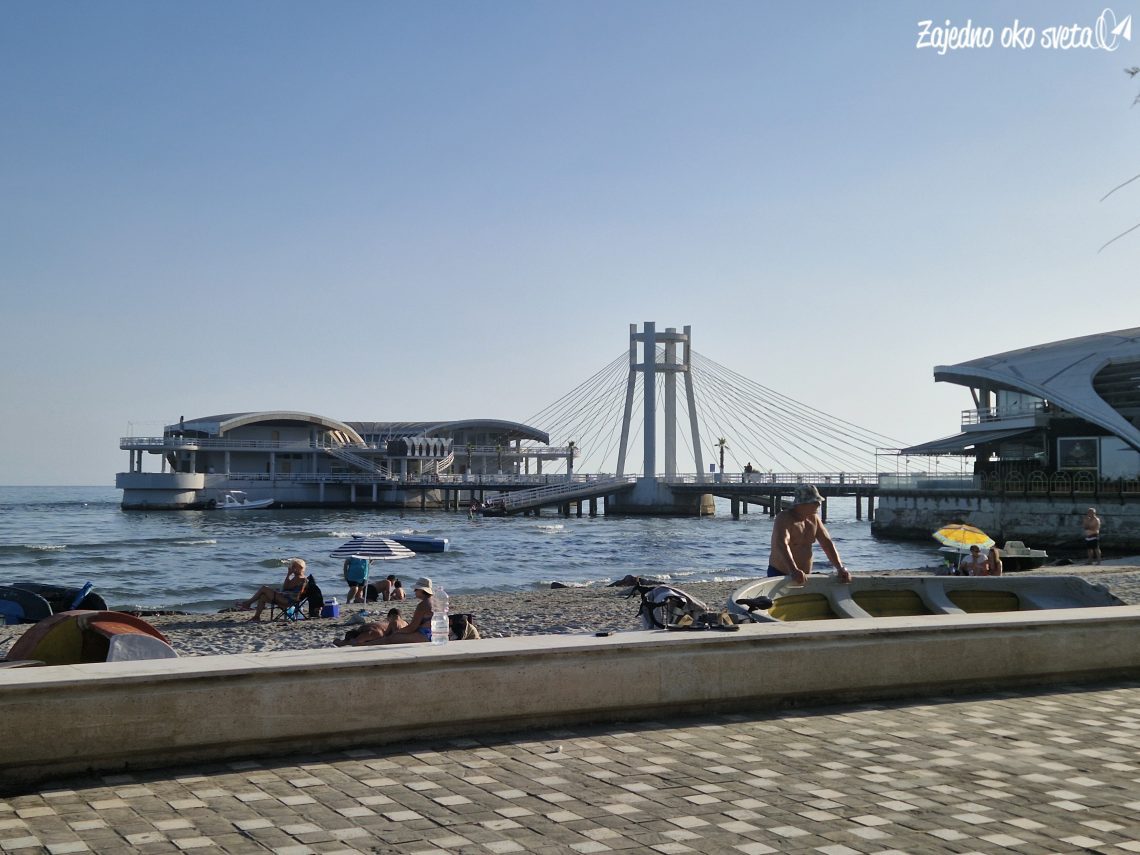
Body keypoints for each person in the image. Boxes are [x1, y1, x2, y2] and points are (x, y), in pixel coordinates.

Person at [767, 484, 851, 585]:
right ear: (802, 503)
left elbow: (827, 543)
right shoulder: (784, 518)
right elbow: (782, 544)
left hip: (805, 575)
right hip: (780, 573)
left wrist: (840, 567)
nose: (818, 504)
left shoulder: (814, 519)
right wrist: (793, 569)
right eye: (814, 502)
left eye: (818, 501)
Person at [362, 578, 436, 644]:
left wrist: (397, 632)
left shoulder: (422, 605)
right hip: (434, 633)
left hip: (425, 635)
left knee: (391, 638)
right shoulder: (435, 602)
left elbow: (412, 628)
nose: (414, 591)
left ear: (422, 590)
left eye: (416, 589)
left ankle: (362, 645)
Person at [238, 558, 307, 622]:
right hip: (289, 599)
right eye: (292, 566)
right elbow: (286, 588)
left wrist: (288, 574)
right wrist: (289, 575)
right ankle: (256, 617)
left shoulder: (300, 578)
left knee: (264, 588)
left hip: (288, 601)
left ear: (300, 568)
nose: (292, 568)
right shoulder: (300, 578)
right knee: (262, 597)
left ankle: (247, 604)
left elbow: (285, 587)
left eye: (294, 566)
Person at [333, 607, 407, 647]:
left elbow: (356, 641)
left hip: (378, 632)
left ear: (390, 616)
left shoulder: (391, 623)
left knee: (355, 642)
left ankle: (342, 642)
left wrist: (342, 642)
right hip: (377, 630)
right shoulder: (405, 622)